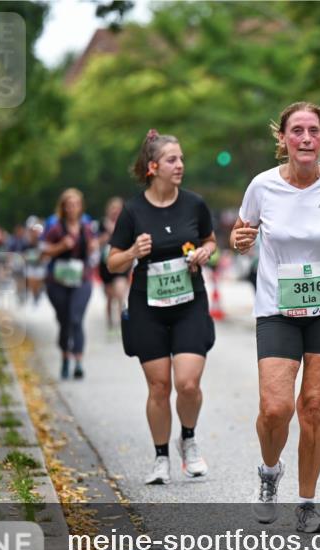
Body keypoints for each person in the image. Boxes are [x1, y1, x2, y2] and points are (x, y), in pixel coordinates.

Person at [231, 101, 320, 532]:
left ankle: (308, 505)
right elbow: (241, 233)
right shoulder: (262, 186)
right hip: (277, 307)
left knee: (313, 406)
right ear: (284, 140)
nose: (306, 138)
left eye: (313, 131)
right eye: (297, 131)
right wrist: (239, 239)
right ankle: (269, 471)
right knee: (275, 408)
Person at [107, 130, 217, 484]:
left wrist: (205, 252)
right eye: (172, 160)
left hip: (189, 303)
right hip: (147, 307)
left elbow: (211, 240)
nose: (180, 165)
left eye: (182, 158)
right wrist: (132, 253)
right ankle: (160, 458)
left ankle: (188, 438)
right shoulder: (133, 211)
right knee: (158, 387)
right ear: (153, 167)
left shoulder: (194, 204)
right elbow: (112, 263)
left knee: (187, 384)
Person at [41, 188, 99, 380]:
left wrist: (92, 248)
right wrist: (60, 246)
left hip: (81, 279)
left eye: (76, 204)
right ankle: (65, 358)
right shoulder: (55, 227)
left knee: (76, 319)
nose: (73, 208)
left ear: (80, 207)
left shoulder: (87, 227)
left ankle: (79, 362)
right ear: (63, 207)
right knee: (64, 321)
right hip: (57, 281)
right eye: (69, 205)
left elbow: (93, 250)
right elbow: (44, 252)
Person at [97, 197, 128, 327]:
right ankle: (110, 323)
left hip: (122, 263)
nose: (115, 211)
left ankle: (123, 323)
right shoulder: (102, 224)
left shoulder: (126, 223)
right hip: (105, 264)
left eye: (118, 208)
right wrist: (107, 236)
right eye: (113, 208)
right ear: (108, 210)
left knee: (120, 293)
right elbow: (95, 243)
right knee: (110, 297)